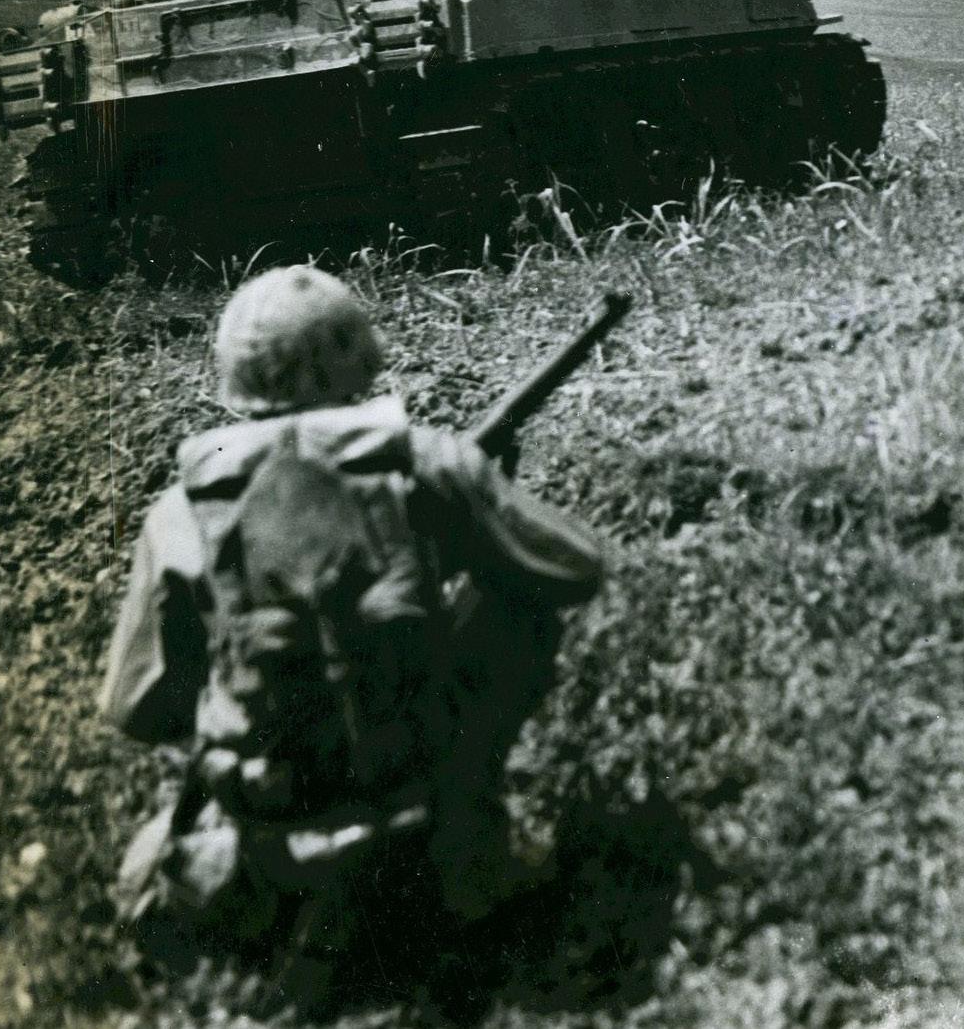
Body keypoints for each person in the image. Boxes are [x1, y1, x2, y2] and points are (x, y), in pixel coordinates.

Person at [100, 264, 603, 976]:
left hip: (265, 821)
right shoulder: (426, 464)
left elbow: (137, 708)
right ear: (359, 356)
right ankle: (468, 820)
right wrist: (472, 507)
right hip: (418, 807)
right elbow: (575, 567)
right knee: (517, 603)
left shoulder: (180, 511)